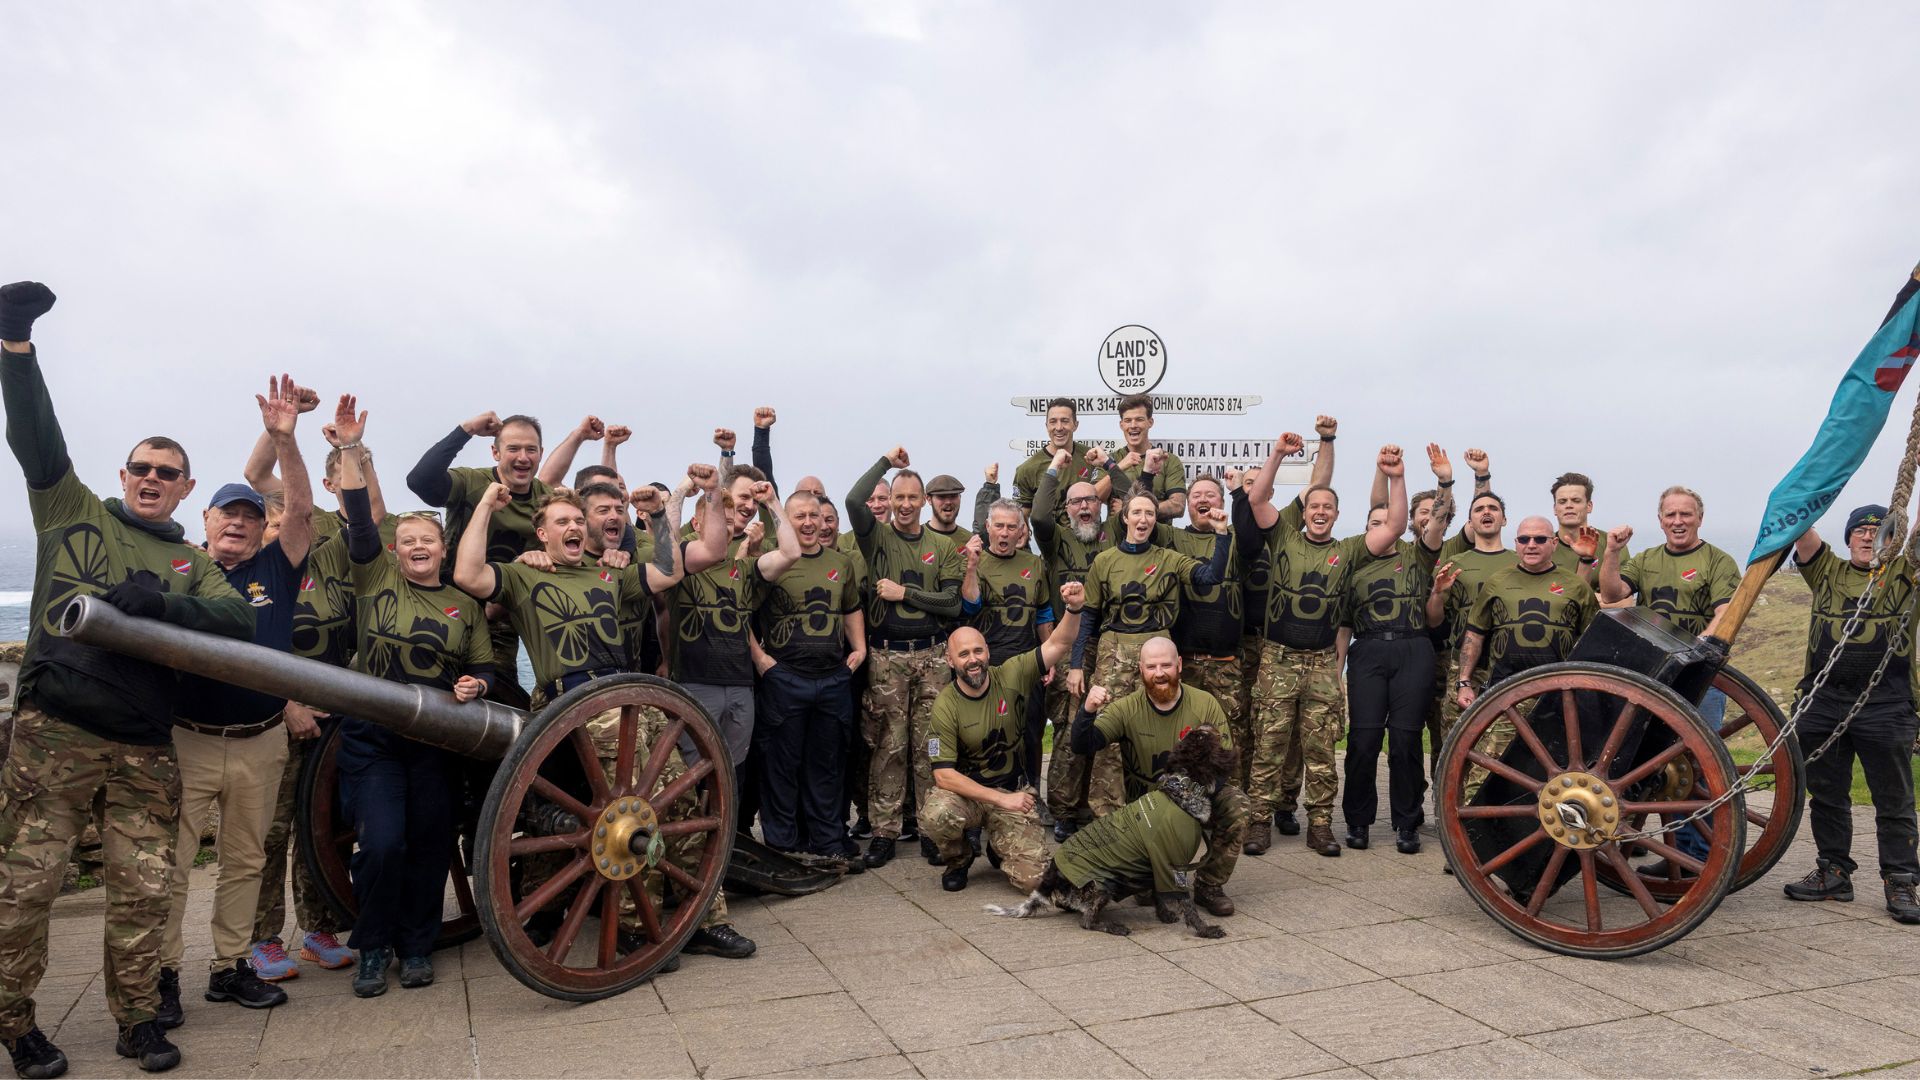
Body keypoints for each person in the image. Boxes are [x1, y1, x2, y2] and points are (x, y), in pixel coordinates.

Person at [0, 282, 254, 1077]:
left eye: (168, 471)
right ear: (124, 473)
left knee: (143, 893)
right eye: (142, 466)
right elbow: (36, 435)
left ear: (186, 488)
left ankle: (140, 1019)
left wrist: (165, 599)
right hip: (56, 733)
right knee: (25, 890)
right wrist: (15, 347)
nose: (152, 477)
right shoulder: (70, 509)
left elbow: (239, 622)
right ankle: (14, 1024)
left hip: (146, 743)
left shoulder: (195, 561)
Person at [157, 376, 317, 1022]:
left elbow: (302, 512)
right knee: (168, 866)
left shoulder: (275, 568)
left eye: (251, 517)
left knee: (245, 862)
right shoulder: (183, 568)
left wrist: (287, 441)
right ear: (206, 520)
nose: (239, 524)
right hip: (188, 737)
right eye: (229, 514)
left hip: (260, 737)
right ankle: (162, 973)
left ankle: (229, 966)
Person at [333, 441, 493, 999]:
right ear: (394, 551)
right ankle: (374, 947)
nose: (417, 546)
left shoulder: (463, 605)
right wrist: (350, 450)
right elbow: (357, 518)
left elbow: (483, 666)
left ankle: (417, 946)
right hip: (374, 736)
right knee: (381, 844)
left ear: (443, 549)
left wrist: (479, 685)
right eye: (407, 541)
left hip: (436, 737)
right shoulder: (375, 578)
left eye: (427, 538)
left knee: (430, 843)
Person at [254, 396, 391, 980]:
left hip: (334, 710)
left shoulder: (333, 554)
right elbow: (260, 476)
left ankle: (317, 928)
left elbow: (371, 518)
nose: (295, 521)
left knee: (320, 828)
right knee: (270, 830)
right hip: (275, 710)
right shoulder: (259, 571)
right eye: (283, 517)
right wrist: (279, 432)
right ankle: (260, 939)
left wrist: (350, 448)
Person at [1239, 421, 1401, 858]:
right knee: (1269, 745)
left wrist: (1397, 477)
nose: (1321, 510)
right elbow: (1256, 499)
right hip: (1277, 658)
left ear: (1335, 513)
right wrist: (1276, 454)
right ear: (1305, 510)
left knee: (1320, 750)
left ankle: (1321, 825)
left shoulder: (1348, 549)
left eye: (1328, 505)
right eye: (1314, 504)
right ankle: (1258, 822)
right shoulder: (1285, 537)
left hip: (1321, 664)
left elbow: (1396, 526)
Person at [1781, 505, 1920, 924]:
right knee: (1826, 792)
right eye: (1860, 530)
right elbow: (1801, 525)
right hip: (1823, 701)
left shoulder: (1907, 572)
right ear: (1847, 538)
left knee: (1893, 798)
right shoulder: (1827, 570)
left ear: (1893, 540)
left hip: (1887, 702)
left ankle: (1900, 880)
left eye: (1878, 532)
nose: (1867, 537)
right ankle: (1834, 872)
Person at [1598, 486, 1740, 876]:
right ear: (1660, 520)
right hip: (1653, 676)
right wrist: (1611, 552)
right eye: (1671, 515)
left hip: (1700, 678)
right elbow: (1612, 594)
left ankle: (1697, 857)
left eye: (1686, 515)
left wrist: (1697, 653)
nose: (1678, 522)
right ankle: (1627, 845)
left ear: (1699, 518)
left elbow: (1726, 613)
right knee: (1643, 763)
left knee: (1695, 769)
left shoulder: (1717, 561)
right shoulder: (1646, 560)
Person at [1069, 484, 1233, 820]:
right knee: (1109, 732)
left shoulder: (1168, 559)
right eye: (1137, 512)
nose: (1143, 519)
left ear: (1155, 521)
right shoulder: (1105, 561)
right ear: (1125, 517)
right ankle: (1109, 817)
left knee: (1161, 730)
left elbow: (1210, 577)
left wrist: (1222, 534)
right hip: (1113, 652)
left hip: (1156, 649)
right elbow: (1088, 616)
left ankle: (1165, 808)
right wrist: (1076, 666)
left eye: (1149, 513)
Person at [845, 448, 965, 868]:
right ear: (891, 500)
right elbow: (853, 501)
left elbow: (952, 604)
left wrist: (906, 594)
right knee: (888, 746)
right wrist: (883, 463)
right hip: (887, 658)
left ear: (925, 501)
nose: (907, 504)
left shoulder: (943, 546)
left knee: (929, 748)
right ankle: (884, 831)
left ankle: (930, 827)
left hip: (932, 655)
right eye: (900, 497)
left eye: (915, 497)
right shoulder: (876, 538)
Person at [1070, 637, 1248, 916]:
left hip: (1196, 797)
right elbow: (1082, 745)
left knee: (1237, 805)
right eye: (1151, 666)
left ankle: (1209, 885)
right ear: (1140, 669)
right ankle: (1154, 875)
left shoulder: (1205, 704)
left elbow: (1224, 765)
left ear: (1179, 665)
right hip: (1146, 810)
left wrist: (1190, 801)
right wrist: (1087, 711)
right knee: (1142, 894)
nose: (1159, 673)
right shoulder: (1126, 708)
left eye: (1166, 665)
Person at [925, 584, 1085, 892]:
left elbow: (1059, 643)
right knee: (937, 813)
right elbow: (944, 776)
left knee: (1038, 882)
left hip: (1011, 790)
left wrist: (1074, 609)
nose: (973, 660)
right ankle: (959, 859)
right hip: (969, 796)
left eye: (978, 651)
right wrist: (999, 799)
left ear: (987, 652)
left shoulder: (1011, 674)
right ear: (950, 661)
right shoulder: (945, 705)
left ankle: (1000, 847)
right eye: (963, 654)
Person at [1337, 445, 1446, 855]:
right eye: (1374, 522)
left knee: (1404, 741)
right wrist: (1337, 670)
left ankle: (1407, 822)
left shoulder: (1417, 558)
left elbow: (1434, 522)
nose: (1383, 527)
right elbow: (1344, 627)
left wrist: (1403, 477)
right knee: (1363, 740)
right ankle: (1358, 820)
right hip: (1368, 651)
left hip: (1412, 648)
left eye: (1388, 522)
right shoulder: (1352, 567)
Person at [751, 491, 866, 862]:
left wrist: (859, 648)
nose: (808, 522)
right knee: (781, 765)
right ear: (787, 519)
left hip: (832, 678)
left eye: (814, 515)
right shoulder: (774, 559)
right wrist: (761, 659)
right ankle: (783, 845)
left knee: (827, 765)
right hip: (785, 677)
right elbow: (740, 609)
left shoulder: (841, 562)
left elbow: (851, 606)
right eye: (799, 516)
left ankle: (828, 841)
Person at [1031, 452, 1119, 837]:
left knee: (1106, 723)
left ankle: (1094, 806)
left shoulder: (1114, 533)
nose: (1084, 506)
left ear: (1100, 505)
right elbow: (1036, 516)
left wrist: (1113, 466)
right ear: (1066, 509)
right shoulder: (1057, 541)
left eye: (1090, 500)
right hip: (1068, 646)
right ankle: (1065, 808)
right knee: (1068, 727)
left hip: (1109, 644)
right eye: (1076, 502)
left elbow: (1138, 500)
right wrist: (1054, 470)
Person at [1454, 516, 1600, 719]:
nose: (1531, 545)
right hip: (1504, 690)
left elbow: (1592, 641)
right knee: (1494, 752)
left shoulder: (1576, 585)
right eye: (1524, 539)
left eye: (1540, 539)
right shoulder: (1496, 582)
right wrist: (1464, 682)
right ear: (1516, 544)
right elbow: (1475, 634)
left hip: (1559, 693)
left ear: (1554, 543)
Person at [960, 486, 1055, 794]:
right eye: (998, 526)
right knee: (984, 731)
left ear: (1020, 532)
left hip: (1026, 658)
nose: (1004, 533)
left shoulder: (1034, 564)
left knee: (1029, 731)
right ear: (988, 528)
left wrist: (1048, 656)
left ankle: (1029, 791)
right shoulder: (975, 561)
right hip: (986, 660)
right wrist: (971, 567)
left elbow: (1043, 613)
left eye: (1011, 527)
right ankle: (980, 796)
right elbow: (970, 605)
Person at [1089, 394, 1185, 522]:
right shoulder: (1108, 460)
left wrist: (1128, 508)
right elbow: (1093, 498)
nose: (1133, 425)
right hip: (1117, 539)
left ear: (1150, 422)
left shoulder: (1169, 460)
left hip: (1158, 539)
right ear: (1121, 424)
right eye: (1128, 420)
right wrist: (1118, 467)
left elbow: (1178, 506)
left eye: (1139, 419)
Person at [1012, 397, 1106, 524]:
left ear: (1075, 425)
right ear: (1046, 426)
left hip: (1090, 538)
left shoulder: (1092, 459)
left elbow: (1110, 500)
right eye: (1053, 422)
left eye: (1065, 421)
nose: (1059, 427)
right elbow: (1019, 521)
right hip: (1050, 541)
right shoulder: (1027, 469)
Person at [1548, 471, 1608, 584]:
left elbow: (1624, 599)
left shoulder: (1610, 544)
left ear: (1589, 506)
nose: (1569, 505)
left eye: (1576, 501)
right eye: (1562, 501)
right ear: (1555, 509)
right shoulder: (1544, 547)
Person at [925, 474, 973, 550]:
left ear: (960, 497)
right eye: (941, 496)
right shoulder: (915, 538)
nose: (948, 502)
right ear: (929, 499)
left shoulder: (971, 541)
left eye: (953, 496)